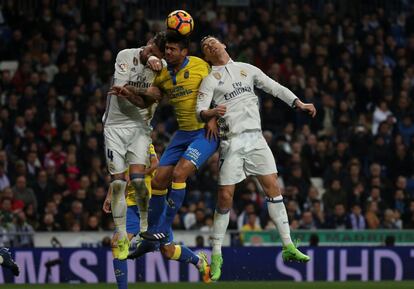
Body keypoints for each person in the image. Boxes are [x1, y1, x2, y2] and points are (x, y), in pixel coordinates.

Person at [196, 36, 316, 281]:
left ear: (224, 45)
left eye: (213, 41)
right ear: (206, 57)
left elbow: (274, 87)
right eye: (206, 46)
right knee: (225, 197)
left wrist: (298, 102)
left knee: (273, 187)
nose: (210, 45)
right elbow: (200, 112)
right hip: (232, 141)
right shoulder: (209, 80)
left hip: (256, 139)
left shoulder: (247, 69)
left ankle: (288, 246)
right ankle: (216, 253)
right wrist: (212, 112)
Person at [113, 32, 216, 283]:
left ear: (183, 51)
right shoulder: (117, 139)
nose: (168, 53)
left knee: (176, 176)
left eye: (172, 49)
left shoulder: (201, 66)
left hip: (199, 135)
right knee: (155, 248)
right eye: (165, 49)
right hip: (135, 202)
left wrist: (213, 115)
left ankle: (160, 234)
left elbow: (220, 87)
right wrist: (129, 91)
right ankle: (196, 259)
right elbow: (148, 96)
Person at [102, 32, 166, 261]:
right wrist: (142, 90)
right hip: (114, 125)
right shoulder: (126, 55)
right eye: (152, 52)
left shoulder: (163, 67)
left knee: (136, 179)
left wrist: (136, 92)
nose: (155, 58)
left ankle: (145, 230)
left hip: (140, 127)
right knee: (118, 182)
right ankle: (125, 234)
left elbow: (151, 97)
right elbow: (120, 89)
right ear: (148, 43)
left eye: (158, 55)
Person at [103, 144, 158, 289]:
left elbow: (155, 164)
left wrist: (137, 175)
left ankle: (198, 261)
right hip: (129, 205)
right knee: (116, 244)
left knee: (168, 250)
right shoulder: (118, 147)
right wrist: (109, 196)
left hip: (146, 203)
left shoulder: (145, 143)